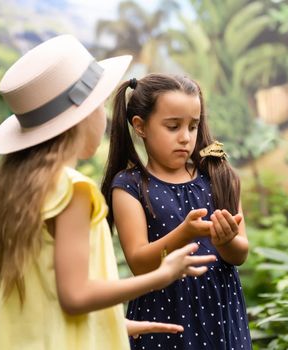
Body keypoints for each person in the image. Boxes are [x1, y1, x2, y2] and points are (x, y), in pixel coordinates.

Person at [0, 35, 216, 350]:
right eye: (100, 106)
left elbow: (47, 295)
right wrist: (164, 275)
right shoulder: (73, 190)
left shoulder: (21, 188)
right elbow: (75, 296)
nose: (104, 118)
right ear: (81, 115)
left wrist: (116, 324)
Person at [101, 73, 252, 349]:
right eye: (173, 127)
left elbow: (239, 254)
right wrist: (185, 233)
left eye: (193, 126)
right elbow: (139, 262)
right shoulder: (130, 186)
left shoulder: (219, 176)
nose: (185, 137)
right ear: (140, 126)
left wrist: (226, 240)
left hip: (220, 314)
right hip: (163, 315)